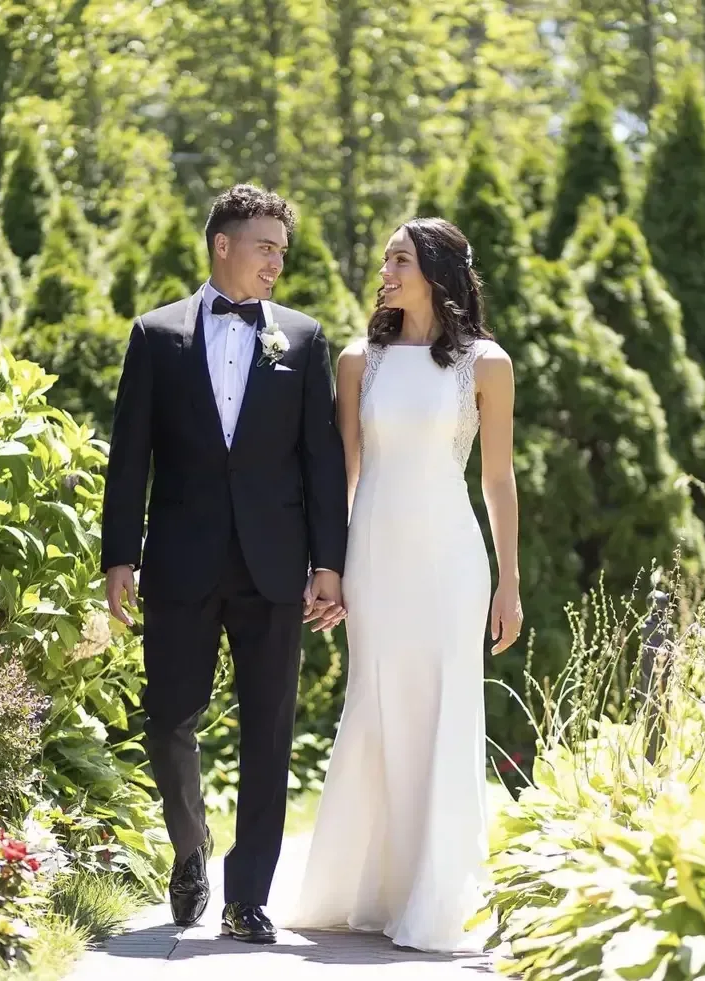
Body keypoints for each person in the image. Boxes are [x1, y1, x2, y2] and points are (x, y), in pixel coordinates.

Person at [101, 184, 348, 944]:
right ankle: (189, 848)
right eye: (265, 246)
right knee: (169, 719)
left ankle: (247, 895)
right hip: (180, 560)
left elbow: (322, 462)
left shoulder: (304, 341)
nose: (277, 261)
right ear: (222, 244)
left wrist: (329, 564)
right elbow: (129, 455)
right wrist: (119, 556)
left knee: (269, 731)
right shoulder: (155, 334)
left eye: (282, 249)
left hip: (275, 566)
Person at [281, 217, 522, 952]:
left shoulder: (487, 363)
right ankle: (373, 887)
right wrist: (327, 565)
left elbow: (498, 476)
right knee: (377, 703)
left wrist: (508, 582)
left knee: (447, 705)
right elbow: (342, 476)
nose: (385, 269)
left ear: (438, 271)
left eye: (400, 258)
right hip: (376, 556)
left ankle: (437, 896)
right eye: (386, 256)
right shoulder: (362, 361)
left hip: (451, 560)